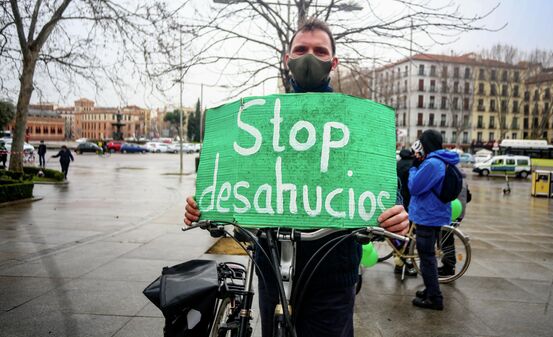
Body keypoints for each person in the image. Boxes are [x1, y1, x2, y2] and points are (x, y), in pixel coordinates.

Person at [184, 18, 409, 337]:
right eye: (301, 49)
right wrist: (204, 204)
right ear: (287, 59)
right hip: (272, 263)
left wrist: (395, 210)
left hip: (334, 268)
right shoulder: (262, 120)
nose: (309, 57)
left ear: (334, 62)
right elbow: (234, 176)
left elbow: (379, 181)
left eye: (320, 51)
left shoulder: (356, 121)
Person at [408, 129, 459, 311]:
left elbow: (414, 187)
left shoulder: (432, 164)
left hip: (427, 216)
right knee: (429, 256)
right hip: (435, 214)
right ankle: (431, 289)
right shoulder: (442, 160)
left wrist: (414, 168)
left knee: (427, 258)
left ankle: (434, 298)